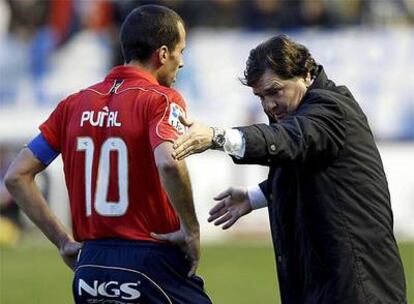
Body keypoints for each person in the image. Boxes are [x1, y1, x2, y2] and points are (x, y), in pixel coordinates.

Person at [171, 35, 407, 303]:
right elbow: (310, 169)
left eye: (274, 91)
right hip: (328, 282)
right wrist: (255, 196)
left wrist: (217, 137)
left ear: (305, 75)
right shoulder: (301, 112)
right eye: (260, 96)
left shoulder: (330, 109)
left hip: (358, 287)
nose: (268, 105)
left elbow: (288, 141)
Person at [5, 5, 212, 304]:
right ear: (163, 54)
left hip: (90, 268)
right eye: (181, 51)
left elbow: (16, 176)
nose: (182, 62)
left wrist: (63, 241)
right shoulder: (160, 100)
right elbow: (169, 161)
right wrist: (191, 230)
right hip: (151, 263)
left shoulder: (73, 105)